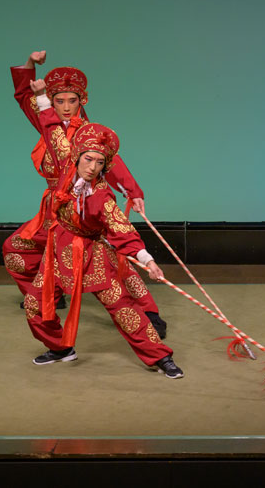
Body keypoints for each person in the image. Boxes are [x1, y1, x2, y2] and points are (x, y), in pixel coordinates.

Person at [4, 51, 167, 339]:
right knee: (15, 250)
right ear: (51, 102)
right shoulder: (47, 121)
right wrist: (30, 63)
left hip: (88, 207)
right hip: (54, 209)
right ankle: (49, 297)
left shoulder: (89, 132)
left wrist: (132, 191)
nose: (66, 107)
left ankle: (149, 313)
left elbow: (112, 162)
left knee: (113, 262)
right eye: (59, 101)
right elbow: (23, 94)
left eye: (72, 101)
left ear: (82, 101)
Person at [25, 79, 183, 377]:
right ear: (77, 156)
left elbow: (122, 230)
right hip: (57, 250)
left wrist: (149, 262)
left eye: (99, 163)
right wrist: (41, 95)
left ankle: (160, 357)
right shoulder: (65, 161)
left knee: (123, 308)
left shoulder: (102, 197)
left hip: (90, 255)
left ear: (104, 166)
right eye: (88, 159)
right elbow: (51, 127)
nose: (92, 167)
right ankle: (60, 348)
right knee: (35, 304)